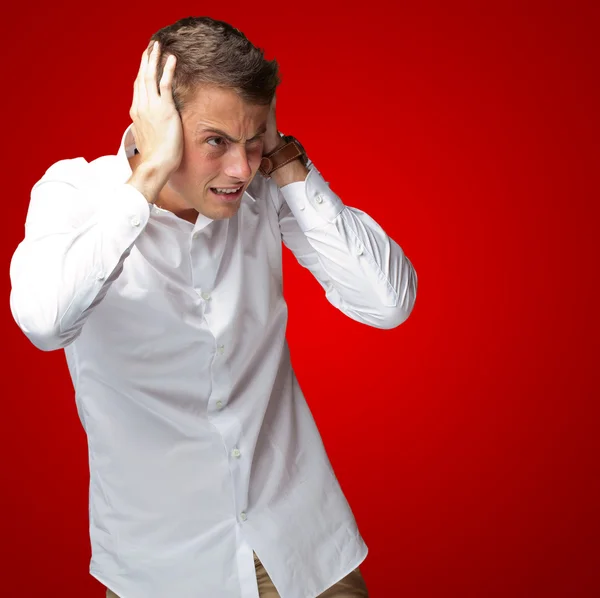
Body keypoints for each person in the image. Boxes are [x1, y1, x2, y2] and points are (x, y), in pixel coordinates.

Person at [9, 16, 417, 598]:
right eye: (216, 142)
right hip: (163, 570)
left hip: (303, 552)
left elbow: (387, 302)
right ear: (158, 125)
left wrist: (285, 158)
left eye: (252, 141)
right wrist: (148, 173)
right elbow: (46, 323)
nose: (240, 168)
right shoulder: (76, 196)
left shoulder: (263, 183)